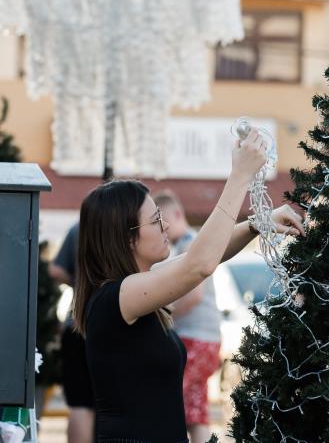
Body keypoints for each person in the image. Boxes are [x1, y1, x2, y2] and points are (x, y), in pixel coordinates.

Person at [72, 132, 305, 442]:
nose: (166, 226)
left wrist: (255, 224)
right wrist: (239, 176)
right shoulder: (118, 296)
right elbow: (199, 265)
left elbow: (203, 258)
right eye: (156, 220)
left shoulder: (134, 289)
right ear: (128, 238)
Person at [153, 190, 219, 443]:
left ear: (178, 214)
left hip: (194, 337)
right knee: (195, 410)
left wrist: (163, 315)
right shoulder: (185, 244)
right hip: (207, 337)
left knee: (169, 401)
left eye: (163, 221)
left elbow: (194, 295)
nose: (163, 229)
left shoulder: (190, 245)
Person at [48, 223, 94, 443]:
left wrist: (79, 282)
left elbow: (55, 269)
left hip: (76, 320)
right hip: (116, 322)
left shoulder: (80, 227)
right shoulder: (127, 224)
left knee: (79, 403)